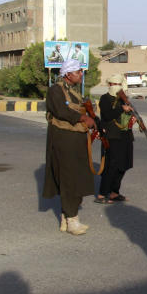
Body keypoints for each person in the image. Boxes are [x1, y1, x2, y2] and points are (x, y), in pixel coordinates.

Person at [42, 59, 96, 235]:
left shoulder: (72, 92)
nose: (81, 74)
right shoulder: (55, 90)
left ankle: (67, 218)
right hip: (63, 140)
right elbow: (61, 111)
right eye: (78, 71)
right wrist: (83, 119)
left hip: (75, 141)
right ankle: (72, 220)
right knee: (68, 178)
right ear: (67, 74)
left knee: (76, 177)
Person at [95, 75, 134, 204]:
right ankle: (102, 194)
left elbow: (128, 114)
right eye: (112, 84)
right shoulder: (105, 98)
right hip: (112, 136)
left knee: (124, 165)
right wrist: (121, 109)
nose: (115, 87)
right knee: (111, 166)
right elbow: (107, 115)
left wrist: (131, 117)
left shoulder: (123, 98)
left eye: (117, 84)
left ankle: (114, 192)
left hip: (125, 135)